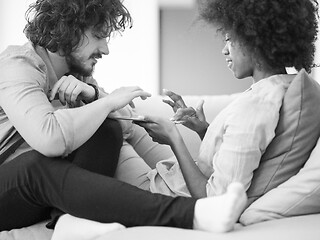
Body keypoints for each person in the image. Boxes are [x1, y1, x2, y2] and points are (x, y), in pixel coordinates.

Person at [0, 0, 248, 239]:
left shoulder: (78, 77)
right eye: (98, 35)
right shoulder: (18, 65)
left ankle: (69, 220)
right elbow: (50, 139)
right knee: (35, 168)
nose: (106, 49)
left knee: (107, 128)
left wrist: (95, 95)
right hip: (12, 186)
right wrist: (107, 101)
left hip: (35, 198)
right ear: (69, 30)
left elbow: (125, 124)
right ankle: (191, 215)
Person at [116, 0, 319, 200]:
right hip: (175, 180)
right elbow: (239, 158)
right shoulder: (278, 88)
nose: (224, 50)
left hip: (164, 194)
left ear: (255, 40)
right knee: (124, 119)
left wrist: (173, 138)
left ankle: (94, 95)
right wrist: (203, 129)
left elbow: (214, 199)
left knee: (118, 124)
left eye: (230, 39)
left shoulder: (257, 106)